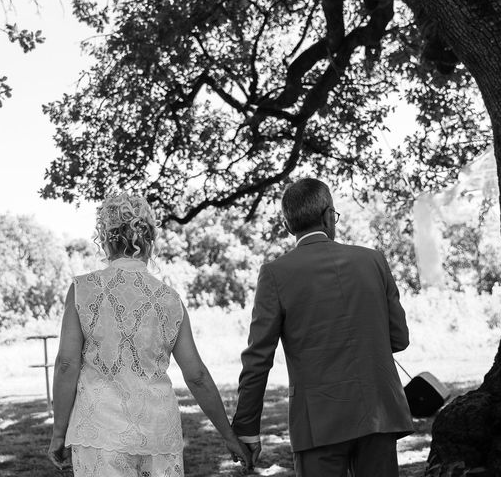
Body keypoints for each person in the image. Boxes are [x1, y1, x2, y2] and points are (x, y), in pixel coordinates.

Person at [47, 192, 251, 476]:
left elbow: (67, 364)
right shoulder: (169, 299)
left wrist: (59, 432)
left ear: (105, 238)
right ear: (149, 240)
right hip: (158, 432)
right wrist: (229, 436)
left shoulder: (83, 289)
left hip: (99, 433)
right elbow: (197, 376)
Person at [232, 177, 414, 477]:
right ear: (329, 216)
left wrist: (247, 426)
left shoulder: (275, 274)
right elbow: (399, 338)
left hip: (318, 420)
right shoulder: (373, 260)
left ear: (289, 226)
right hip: (378, 411)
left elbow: (258, 358)